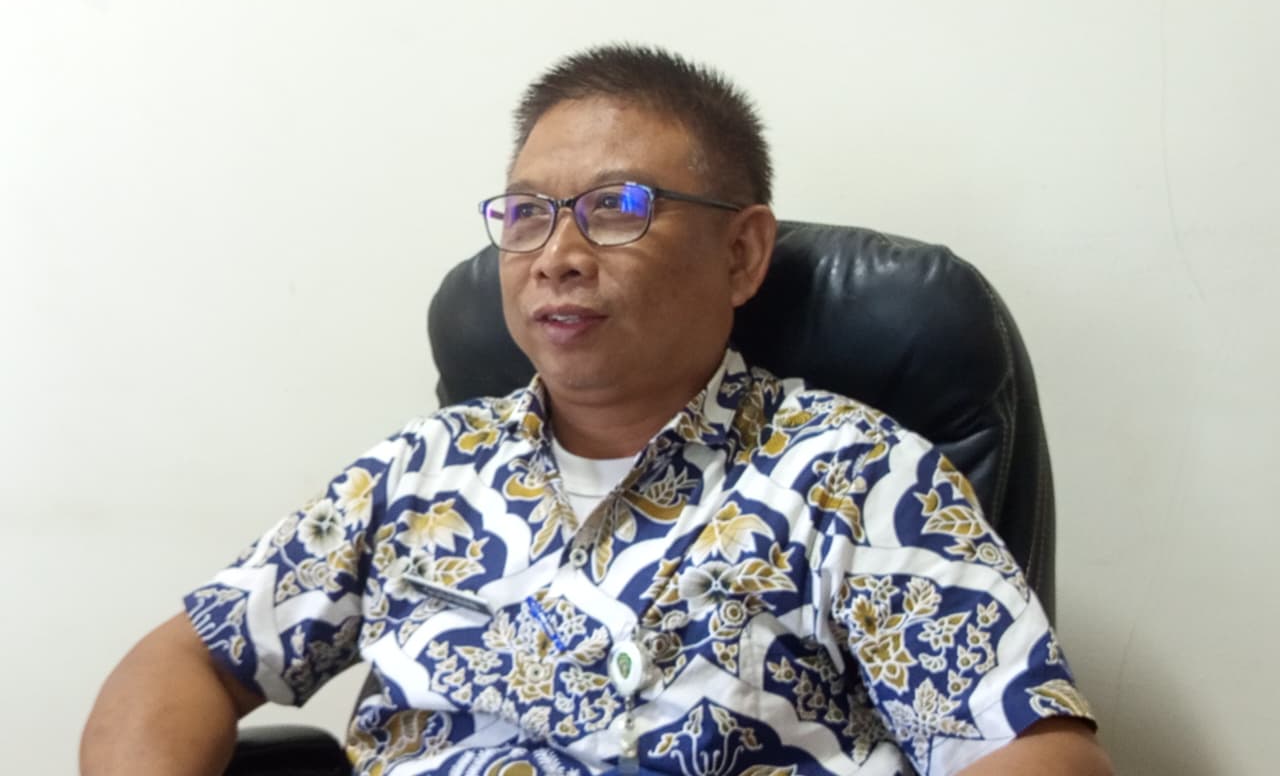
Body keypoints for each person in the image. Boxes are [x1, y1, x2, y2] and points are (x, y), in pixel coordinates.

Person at [81, 45, 1112, 776]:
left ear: (742, 253)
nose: (556, 255)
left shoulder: (855, 475)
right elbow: (189, 657)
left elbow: (1033, 750)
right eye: (528, 214)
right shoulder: (420, 471)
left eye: (616, 209)